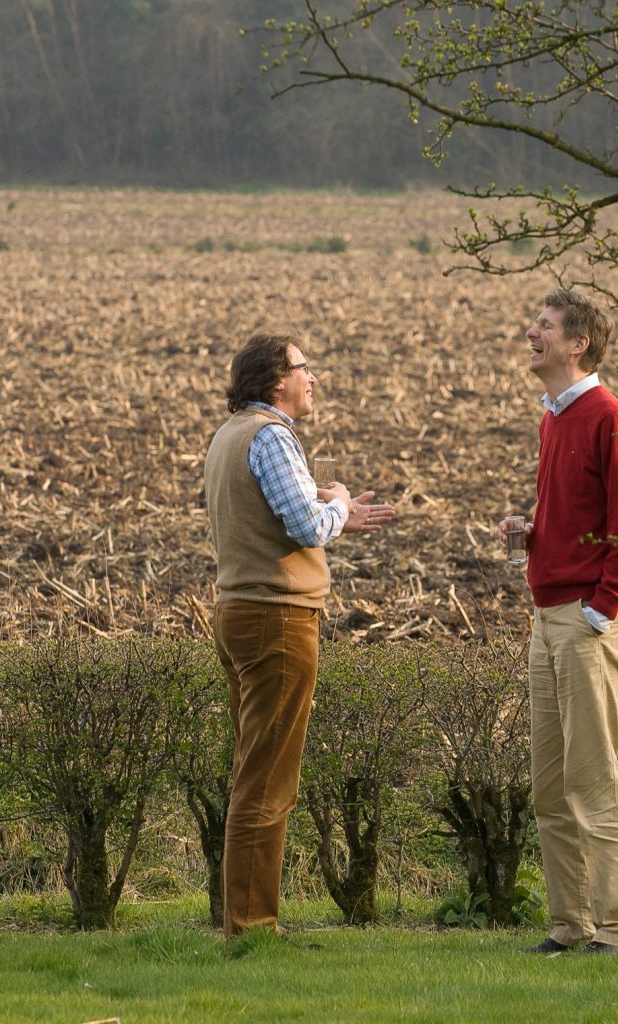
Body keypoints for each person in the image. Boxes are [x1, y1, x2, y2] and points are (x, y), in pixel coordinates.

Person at [204, 332, 395, 936]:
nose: (312, 378)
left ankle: (245, 921)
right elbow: (307, 524)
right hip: (277, 619)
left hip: (238, 613)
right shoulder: (273, 436)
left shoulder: (230, 436)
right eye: (302, 368)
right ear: (273, 381)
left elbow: (276, 507)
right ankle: (253, 926)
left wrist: (337, 510)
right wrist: (337, 502)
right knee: (269, 779)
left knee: (252, 768)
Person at [500, 287, 618, 955]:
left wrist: (601, 609)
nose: (530, 332)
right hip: (546, 615)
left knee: (591, 780)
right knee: (551, 787)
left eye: (545, 325)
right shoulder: (554, 418)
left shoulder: (609, 417)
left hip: (587, 619)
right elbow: (580, 515)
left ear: (576, 344)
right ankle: (569, 927)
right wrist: (531, 532)